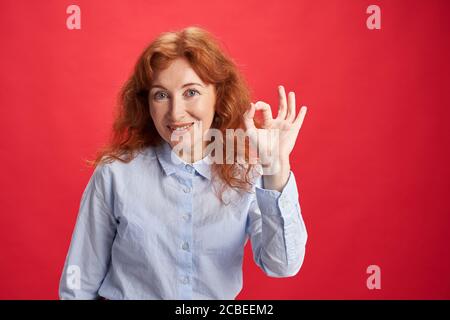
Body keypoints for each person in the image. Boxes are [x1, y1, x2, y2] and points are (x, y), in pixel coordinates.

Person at [59, 26, 308, 300]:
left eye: (191, 92)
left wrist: (275, 165)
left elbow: (282, 265)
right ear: (148, 103)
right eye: (161, 95)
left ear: (218, 96)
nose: (176, 113)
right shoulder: (115, 173)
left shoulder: (245, 174)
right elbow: (78, 286)